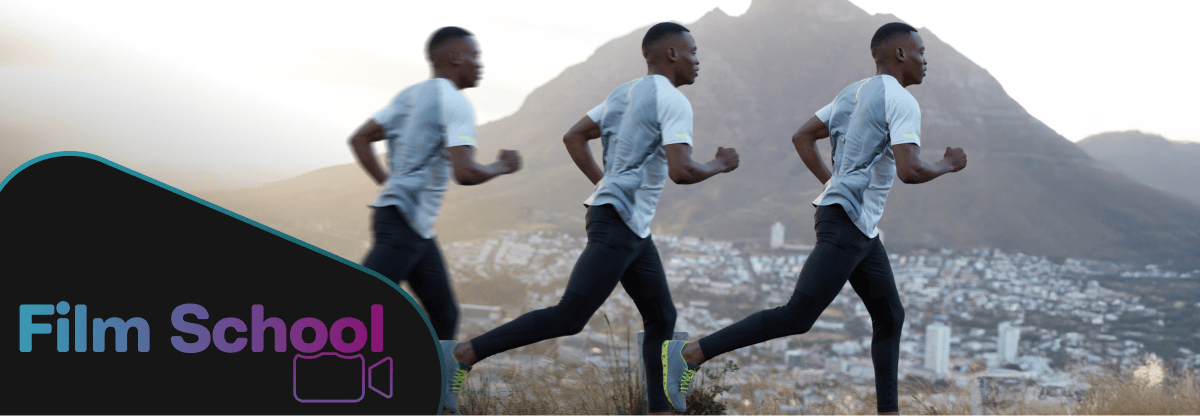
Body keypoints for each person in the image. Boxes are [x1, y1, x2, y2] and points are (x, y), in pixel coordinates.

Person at [662, 22, 967, 415]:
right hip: (845, 223)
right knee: (798, 315)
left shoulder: (852, 93)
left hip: (857, 225)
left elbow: (802, 136)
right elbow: (909, 171)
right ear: (900, 54)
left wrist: (833, 183)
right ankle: (690, 354)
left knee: (890, 317)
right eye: (921, 52)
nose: (926, 61)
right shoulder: (902, 101)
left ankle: (888, 412)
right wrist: (947, 164)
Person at [439, 22, 739, 415]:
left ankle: (659, 410)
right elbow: (681, 171)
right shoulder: (673, 101)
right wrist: (719, 163)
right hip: (617, 223)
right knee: (570, 316)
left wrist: (606, 183)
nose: (698, 61)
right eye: (693, 52)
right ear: (670, 54)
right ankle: (462, 355)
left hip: (628, 225)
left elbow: (573, 136)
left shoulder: (624, 93)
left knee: (662, 316)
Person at [348, 26, 521, 344]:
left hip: (412, 226)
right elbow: (465, 172)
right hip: (402, 224)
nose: (479, 64)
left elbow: (359, 139)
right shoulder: (457, 103)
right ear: (455, 58)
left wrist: (389, 185)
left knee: (445, 316)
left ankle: (430, 390)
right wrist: (502, 166)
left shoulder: (409, 95)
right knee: (357, 314)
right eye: (475, 55)